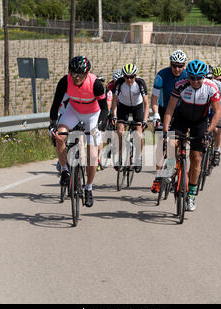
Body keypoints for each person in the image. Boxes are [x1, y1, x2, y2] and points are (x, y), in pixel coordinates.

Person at [49, 56, 108, 208]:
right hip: (73, 111)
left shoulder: (95, 84)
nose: (76, 78)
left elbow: (104, 109)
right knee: (59, 137)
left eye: (80, 75)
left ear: (87, 74)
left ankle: (88, 188)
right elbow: (56, 105)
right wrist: (53, 125)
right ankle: (64, 170)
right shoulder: (65, 81)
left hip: (92, 115)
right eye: (73, 74)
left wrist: (100, 126)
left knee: (93, 155)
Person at [163, 60, 221, 212]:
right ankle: (170, 168)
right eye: (192, 78)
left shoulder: (211, 87)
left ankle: (191, 195)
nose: (195, 81)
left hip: (200, 123)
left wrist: (208, 131)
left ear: (204, 77)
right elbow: (169, 110)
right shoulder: (181, 85)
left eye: (199, 78)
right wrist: (165, 131)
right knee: (171, 143)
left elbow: (217, 113)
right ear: (188, 76)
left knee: (196, 158)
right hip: (181, 119)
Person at [151, 49, 188, 193]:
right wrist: (155, 115)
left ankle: (174, 168)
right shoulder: (161, 75)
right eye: (174, 65)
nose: (177, 69)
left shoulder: (187, 76)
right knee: (162, 143)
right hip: (163, 109)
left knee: (177, 142)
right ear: (170, 64)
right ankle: (158, 177)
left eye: (180, 66)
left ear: (184, 66)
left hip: (181, 112)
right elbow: (154, 98)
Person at [112, 64, 149, 173]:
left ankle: (138, 158)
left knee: (139, 133)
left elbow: (146, 103)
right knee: (119, 131)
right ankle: (119, 158)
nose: (129, 79)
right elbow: (114, 101)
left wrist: (145, 120)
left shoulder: (140, 82)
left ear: (135, 75)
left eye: (131, 77)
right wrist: (114, 115)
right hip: (123, 106)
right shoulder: (119, 83)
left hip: (137, 107)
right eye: (126, 77)